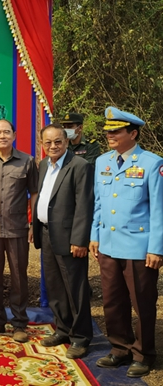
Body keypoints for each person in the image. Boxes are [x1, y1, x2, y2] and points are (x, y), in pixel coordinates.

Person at [89, 107, 163, 378]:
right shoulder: (102, 162)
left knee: (142, 303)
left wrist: (156, 248)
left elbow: (159, 210)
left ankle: (143, 354)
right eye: (108, 132)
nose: (110, 135)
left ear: (133, 134)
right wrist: (94, 235)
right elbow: (99, 203)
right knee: (112, 301)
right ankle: (120, 348)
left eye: (116, 131)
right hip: (108, 245)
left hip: (138, 248)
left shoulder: (152, 163)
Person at [32, 124, 93, 359]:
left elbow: (84, 205)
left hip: (70, 238)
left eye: (58, 141)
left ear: (66, 142)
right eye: (48, 142)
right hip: (47, 234)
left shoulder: (79, 166)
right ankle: (63, 329)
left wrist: (80, 240)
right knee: (55, 286)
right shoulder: (44, 165)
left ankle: (81, 337)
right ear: (42, 144)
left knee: (75, 288)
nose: (53, 146)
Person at [0, 119, 38, 343]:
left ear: (14, 135)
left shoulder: (27, 161)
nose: (2, 136)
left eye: (6, 132)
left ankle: (19, 323)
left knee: (18, 278)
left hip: (17, 229)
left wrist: (33, 224)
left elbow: (34, 193)